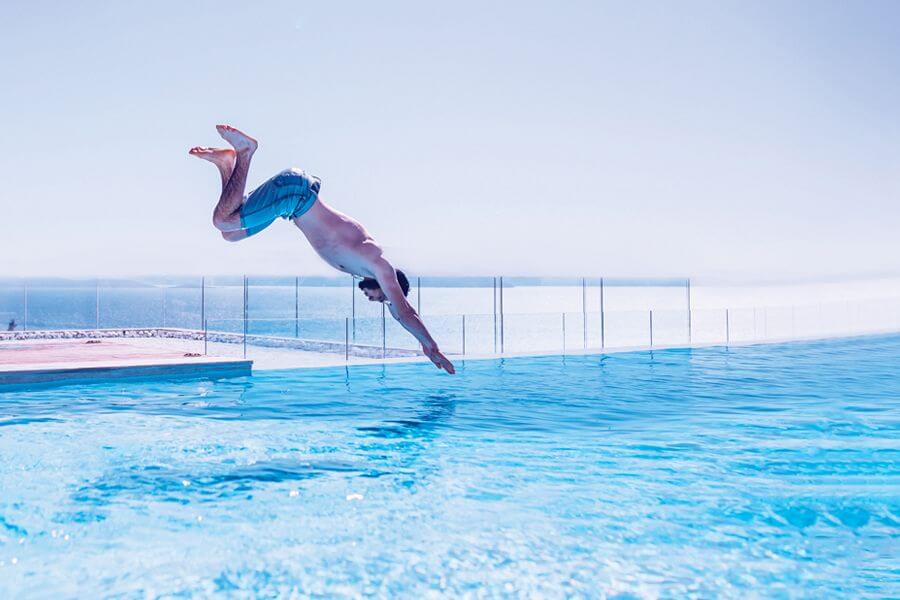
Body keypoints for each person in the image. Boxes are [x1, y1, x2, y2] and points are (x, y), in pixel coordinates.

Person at [190, 125, 455, 374]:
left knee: (230, 234)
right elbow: (405, 311)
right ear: (389, 285)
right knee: (222, 220)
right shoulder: (379, 262)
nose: (374, 300)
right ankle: (246, 151)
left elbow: (398, 313)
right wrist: (431, 345)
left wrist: (422, 341)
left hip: (291, 204)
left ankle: (226, 164)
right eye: (382, 298)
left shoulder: (363, 266)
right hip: (296, 194)